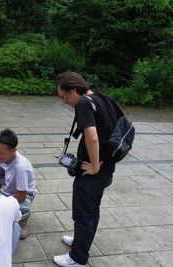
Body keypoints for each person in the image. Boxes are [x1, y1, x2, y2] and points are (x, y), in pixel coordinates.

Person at [53, 71, 118, 267]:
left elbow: (92, 137)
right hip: (108, 168)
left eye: (65, 97)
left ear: (74, 90)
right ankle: (82, 241)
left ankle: (78, 258)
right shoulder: (102, 98)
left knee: (82, 214)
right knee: (92, 210)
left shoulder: (83, 104)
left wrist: (95, 165)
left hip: (92, 173)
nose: (65, 102)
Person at [0, 128, 37, 240]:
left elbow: (21, 196)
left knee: (21, 206)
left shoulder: (21, 167)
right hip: (5, 187)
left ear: (14, 151)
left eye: (1, 153)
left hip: (24, 194)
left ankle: (23, 219)